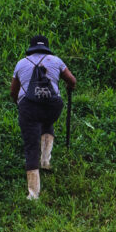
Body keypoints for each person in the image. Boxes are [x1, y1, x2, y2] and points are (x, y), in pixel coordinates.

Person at [10, 35, 76, 200]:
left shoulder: (21, 63)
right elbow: (72, 80)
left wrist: (21, 107)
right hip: (53, 106)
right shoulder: (56, 60)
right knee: (47, 122)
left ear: (31, 48)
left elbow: (13, 91)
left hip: (29, 107)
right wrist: (69, 86)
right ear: (46, 47)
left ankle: (33, 193)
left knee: (31, 146)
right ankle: (46, 160)